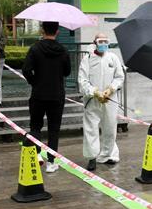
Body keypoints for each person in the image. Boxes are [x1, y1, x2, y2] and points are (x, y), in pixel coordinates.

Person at [22, 21, 71, 173]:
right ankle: (51, 163)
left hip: (38, 94)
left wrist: (34, 82)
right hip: (57, 95)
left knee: (35, 126)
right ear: (57, 32)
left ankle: (36, 154)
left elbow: (26, 70)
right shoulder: (63, 50)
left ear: (43, 30)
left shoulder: (35, 48)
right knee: (54, 130)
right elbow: (67, 72)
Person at [78, 33, 125, 171]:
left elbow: (119, 77)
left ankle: (107, 154)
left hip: (110, 99)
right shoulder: (87, 59)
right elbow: (83, 80)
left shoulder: (113, 58)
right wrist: (95, 92)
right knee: (91, 128)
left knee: (110, 127)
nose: (103, 43)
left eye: (106, 41)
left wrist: (111, 89)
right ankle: (92, 157)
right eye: (100, 41)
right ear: (95, 42)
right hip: (92, 100)